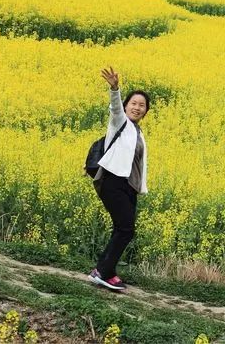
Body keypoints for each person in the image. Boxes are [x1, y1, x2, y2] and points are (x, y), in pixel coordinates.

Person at [88, 66, 150, 290]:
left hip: (128, 187)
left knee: (122, 228)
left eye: (142, 105)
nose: (137, 107)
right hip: (113, 181)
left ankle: (106, 270)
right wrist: (115, 89)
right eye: (133, 103)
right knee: (126, 229)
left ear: (146, 111)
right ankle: (103, 271)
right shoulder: (119, 122)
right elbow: (115, 108)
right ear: (126, 106)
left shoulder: (138, 132)